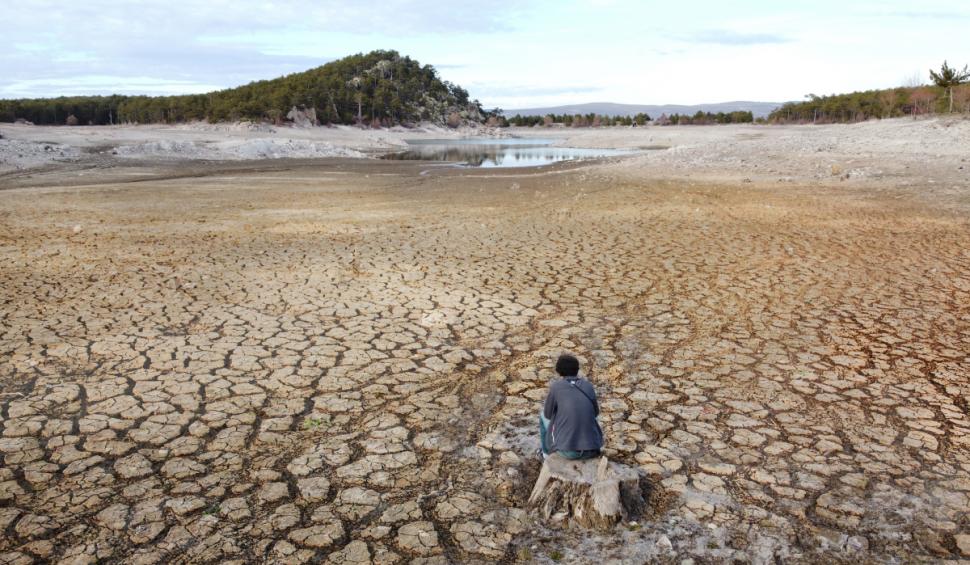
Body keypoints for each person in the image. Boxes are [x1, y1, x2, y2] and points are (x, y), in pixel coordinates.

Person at [538, 354, 603, 460]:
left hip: (568, 451)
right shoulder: (588, 386)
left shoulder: (556, 387)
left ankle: (545, 455)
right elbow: (596, 413)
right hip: (593, 450)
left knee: (542, 416)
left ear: (559, 370)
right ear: (577, 369)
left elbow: (547, 414)